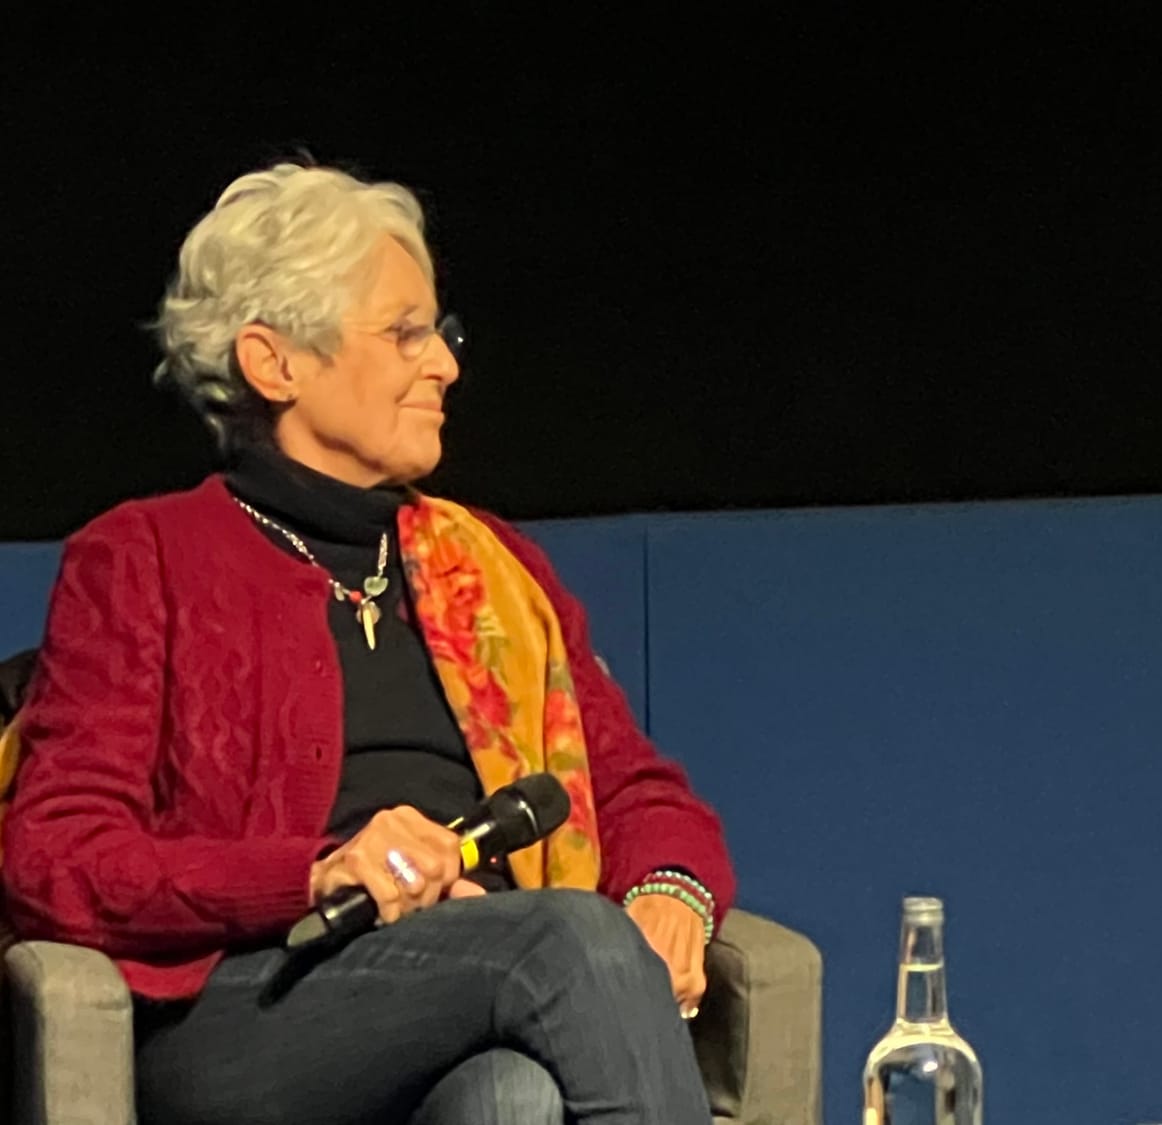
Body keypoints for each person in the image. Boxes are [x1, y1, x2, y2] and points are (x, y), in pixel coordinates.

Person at [0, 163, 732, 1125]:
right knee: (569, 941)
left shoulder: (489, 565)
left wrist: (672, 892)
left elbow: (635, 788)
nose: (446, 366)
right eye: (404, 333)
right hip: (252, 1005)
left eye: (441, 333)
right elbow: (57, 855)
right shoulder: (143, 558)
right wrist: (318, 868)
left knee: (509, 1099)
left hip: (481, 985)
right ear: (275, 364)